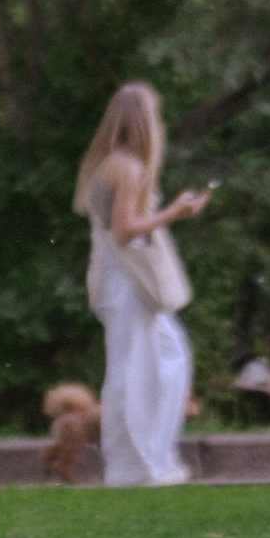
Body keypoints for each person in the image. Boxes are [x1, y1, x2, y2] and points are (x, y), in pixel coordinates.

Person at [73, 85, 214, 487]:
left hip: (121, 277)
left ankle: (153, 457)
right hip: (125, 279)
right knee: (136, 370)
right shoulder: (127, 167)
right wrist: (174, 213)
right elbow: (124, 231)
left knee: (166, 360)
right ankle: (133, 466)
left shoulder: (114, 163)